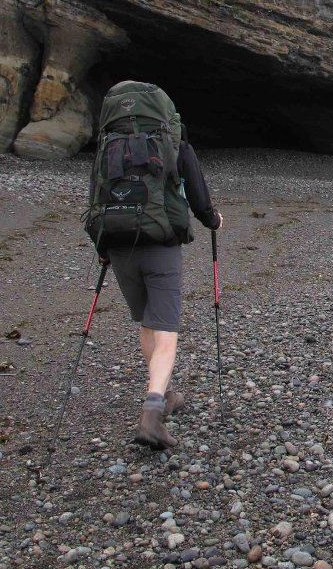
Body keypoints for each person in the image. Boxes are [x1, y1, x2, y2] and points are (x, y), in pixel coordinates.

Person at [91, 87, 223, 450]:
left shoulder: (108, 145)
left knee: (148, 321)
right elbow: (197, 193)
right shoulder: (174, 143)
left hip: (117, 241)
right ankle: (152, 414)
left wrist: (102, 247)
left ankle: (161, 393)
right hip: (159, 242)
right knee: (166, 330)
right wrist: (212, 220)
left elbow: (97, 195)